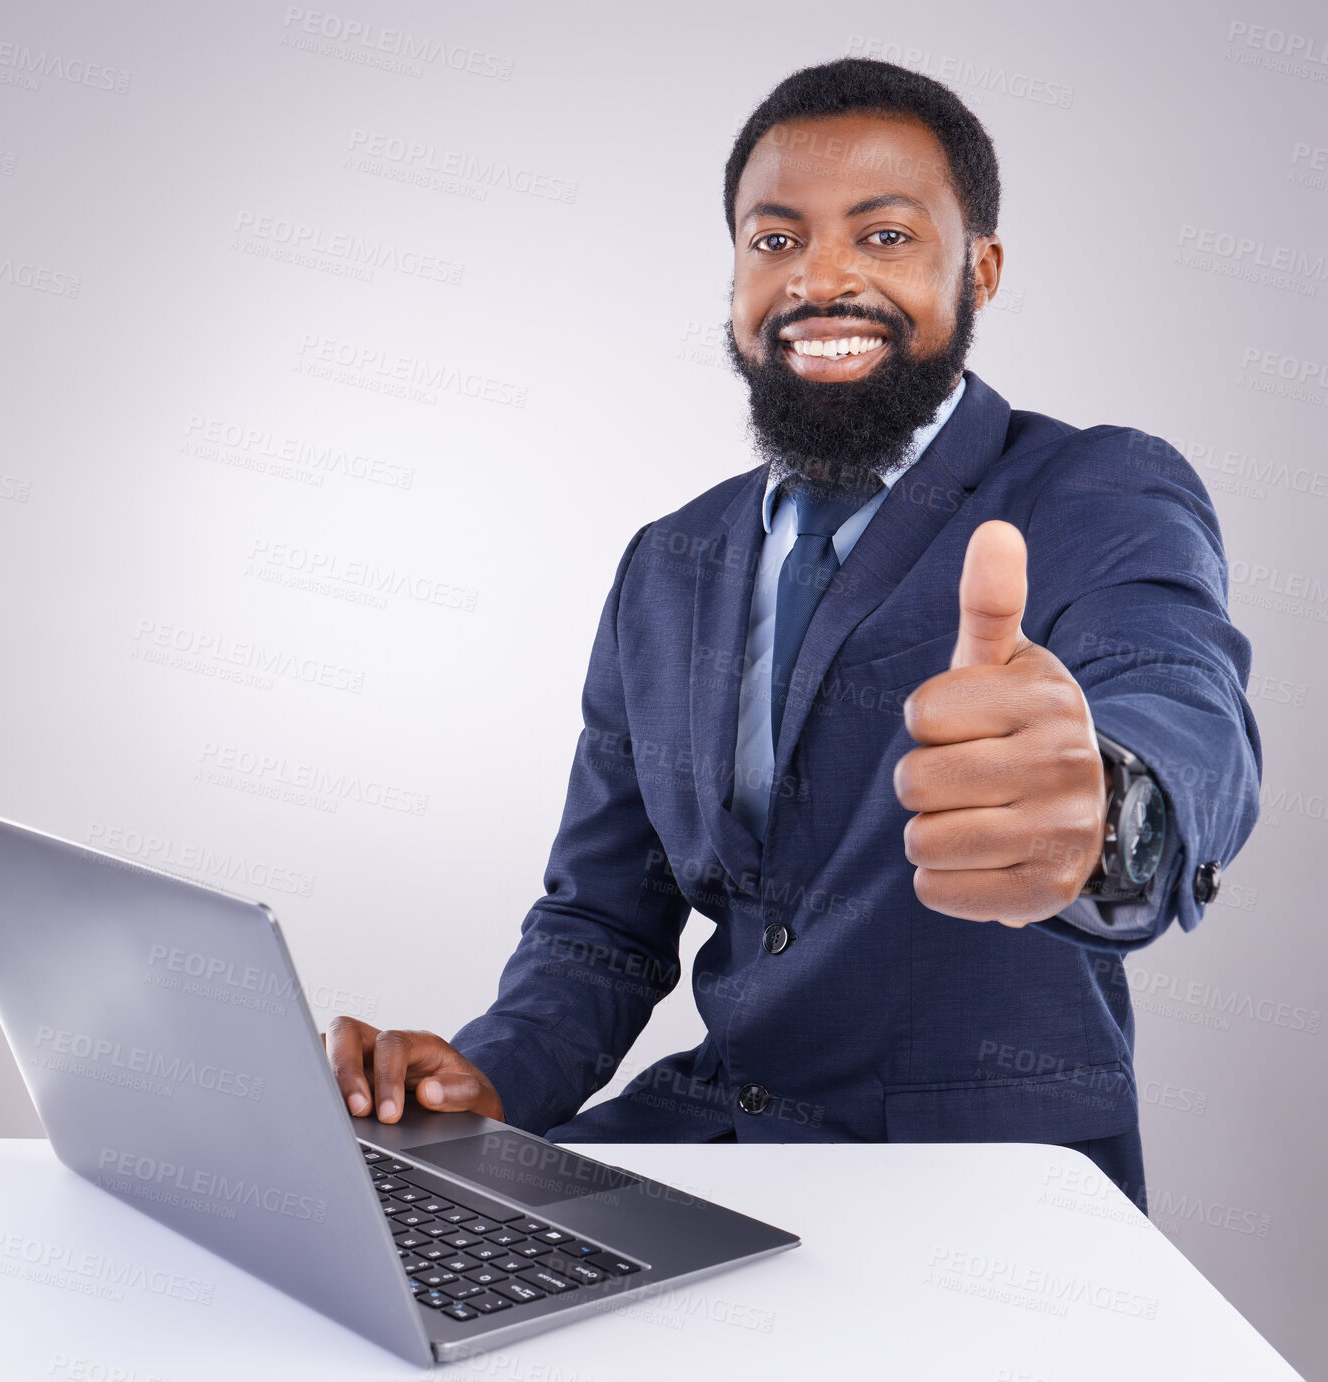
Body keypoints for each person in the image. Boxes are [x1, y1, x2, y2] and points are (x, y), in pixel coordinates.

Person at [324, 58, 1261, 1210]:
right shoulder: (665, 563)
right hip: (702, 1146)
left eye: (884, 238)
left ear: (982, 269)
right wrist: (493, 1073)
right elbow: (602, 921)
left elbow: (1176, 686)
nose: (821, 278)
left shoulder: (1092, 490)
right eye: (776, 241)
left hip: (976, 1195)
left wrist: (1114, 814)